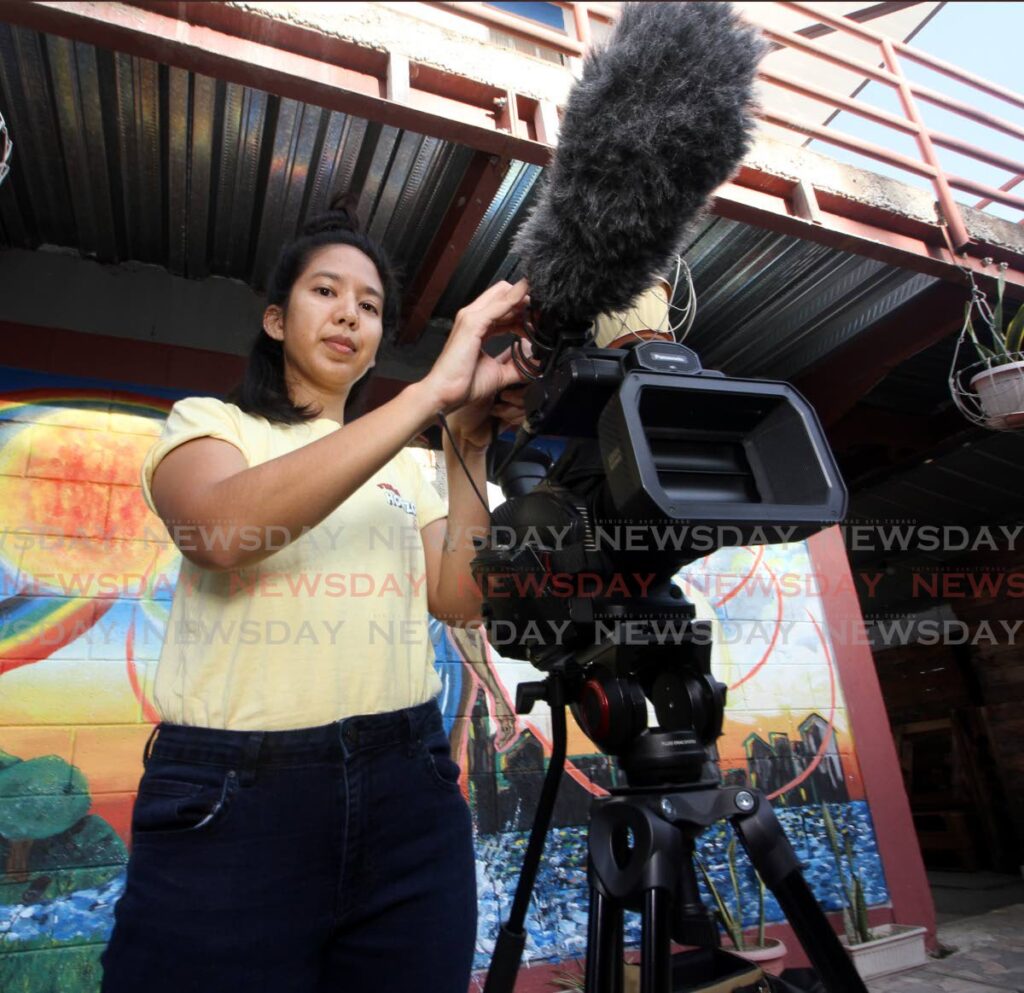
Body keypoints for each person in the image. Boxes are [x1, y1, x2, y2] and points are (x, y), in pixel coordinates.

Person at [99, 194, 531, 993]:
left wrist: (466, 439)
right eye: (325, 291)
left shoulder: (410, 466)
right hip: (232, 802)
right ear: (274, 319)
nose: (349, 314)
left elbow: (459, 599)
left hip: (409, 787)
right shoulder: (213, 424)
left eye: (369, 305)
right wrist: (431, 396)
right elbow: (222, 532)